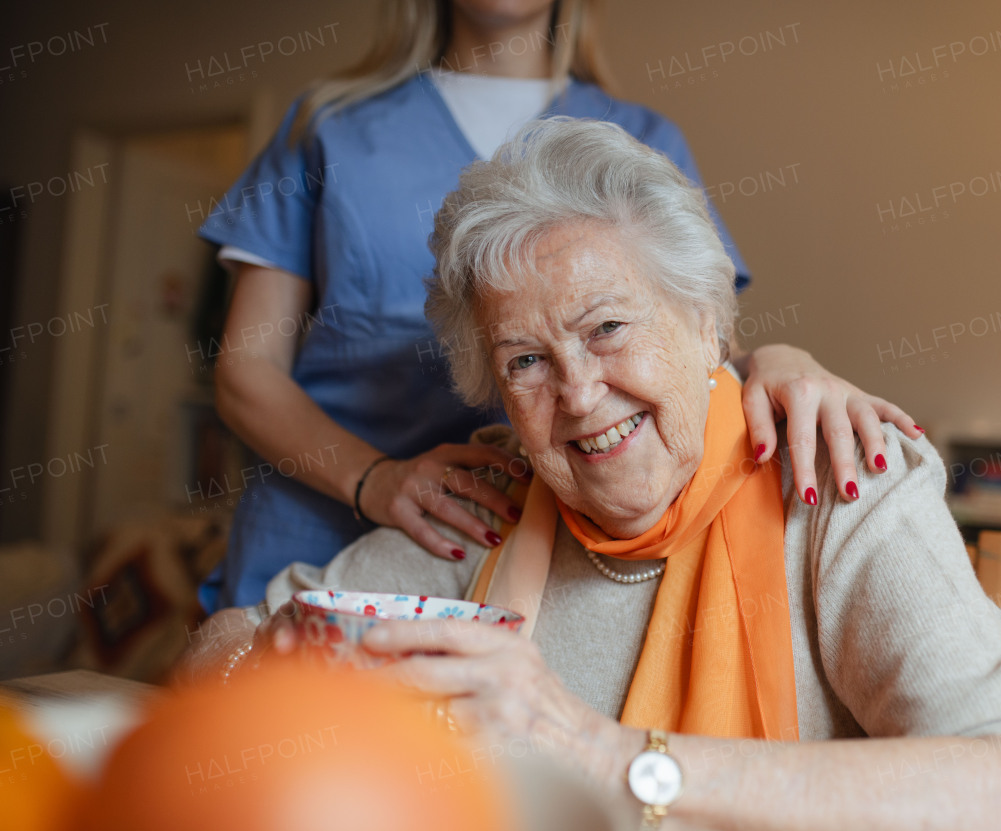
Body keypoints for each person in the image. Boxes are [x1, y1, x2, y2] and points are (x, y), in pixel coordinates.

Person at [183, 119, 1001, 831]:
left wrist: (605, 757)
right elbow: (227, 653)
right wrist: (254, 661)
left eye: (609, 327)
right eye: (526, 360)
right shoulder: (491, 502)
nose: (577, 395)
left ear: (708, 324)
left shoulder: (837, 473)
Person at [197, 0, 922, 613]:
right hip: (322, 527)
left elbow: (693, 343)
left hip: (529, 553)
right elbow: (244, 370)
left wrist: (785, 360)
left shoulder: (642, 137)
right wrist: (374, 480)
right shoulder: (327, 128)